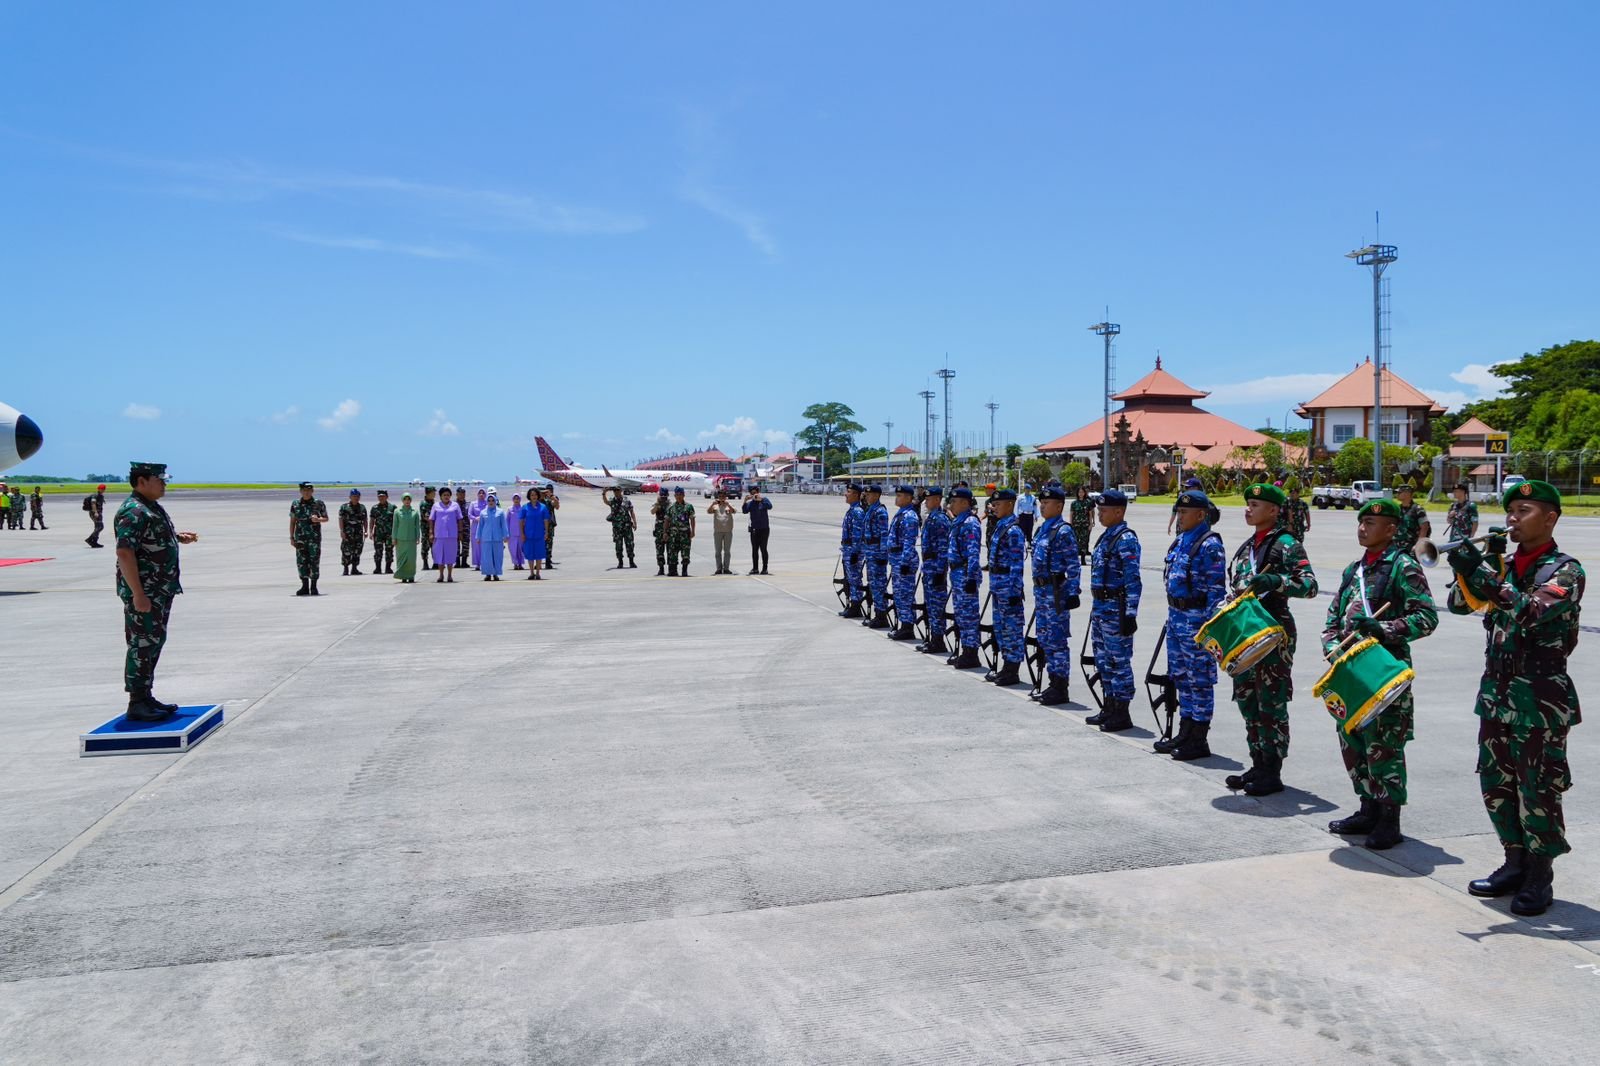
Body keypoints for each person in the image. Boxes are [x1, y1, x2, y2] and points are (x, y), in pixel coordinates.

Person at [1449, 479, 1584, 917]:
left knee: (1538, 789)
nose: (1512, 518)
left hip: (1540, 699)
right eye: (1511, 511)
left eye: (1524, 511)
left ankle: (1540, 875)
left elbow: (1531, 611)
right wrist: (1475, 567)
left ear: (1550, 518)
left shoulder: (1566, 571)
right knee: (1497, 785)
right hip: (1496, 694)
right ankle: (1514, 861)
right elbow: (1458, 605)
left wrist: (1483, 574)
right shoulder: (1503, 566)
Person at [1322, 498, 1439, 849]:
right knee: (1353, 740)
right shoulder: (1353, 570)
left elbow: (1426, 617)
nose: (1362, 528)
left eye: (1371, 524)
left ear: (1391, 529)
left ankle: (1389, 818)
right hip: (1352, 671)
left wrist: (1385, 628)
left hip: (1385, 670)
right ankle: (1367, 808)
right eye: (1360, 522)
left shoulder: (1403, 566)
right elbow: (1333, 615)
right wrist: (1331, 645)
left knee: (1384, 744)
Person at [1224, 483, 1319, 795]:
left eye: (1255, 505)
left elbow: (1309, 585)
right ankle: (1257, 762)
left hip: (1274, 630)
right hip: (1247, 631)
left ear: (1274, 510)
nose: (1248, 509)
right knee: (1247, 698)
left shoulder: (1286, 544)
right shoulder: (1247, 547)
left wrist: (1277, 581)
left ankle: (1272, 769)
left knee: (1271, 701)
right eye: (1248, 503)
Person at [114, 462, 199, 721]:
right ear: (141, 481)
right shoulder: (134, 510)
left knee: (154, 642)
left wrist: (177, 537)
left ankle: (146, 696)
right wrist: (138, 594)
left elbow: (149, 540)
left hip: (159, 589)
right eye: (159, 479)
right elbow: (124, 552)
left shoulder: (150, 508)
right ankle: (137, 701)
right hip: (146, 591)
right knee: (141, 644)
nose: (164, 484)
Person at [1154, 489, 1228, 760]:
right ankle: (1185, 731)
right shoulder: (1180, 541)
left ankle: (1199, 737)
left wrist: (1209, 631)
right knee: (1181, 679)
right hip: (1176, 619)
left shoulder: (1210, 545)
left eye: (1184, 512)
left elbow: (1215, 592)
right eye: (1178, 512)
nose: (1180, 516)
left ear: (1201, 515)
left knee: (1200, 681)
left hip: (1197, 624)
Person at [1085, 489, 1142, 731]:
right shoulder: (1106, 537)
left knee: (1119, 661)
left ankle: (1122, 711)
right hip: (1101, 607)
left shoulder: (1125, 539)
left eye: (1104, 510)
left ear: (1119, 512)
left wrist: (1130, 614)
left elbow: (1133, 580)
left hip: (1116, 609)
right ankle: (1109, 706)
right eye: (1099, 510)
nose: (1099, 514)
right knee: (1103, 660)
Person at [1030, 483, 1081, 705]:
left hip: (1056, 593)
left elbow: (1073, 565)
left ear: (1059, 506)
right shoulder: (1042, 529)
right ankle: (1052, 683)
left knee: (1057, 640)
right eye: (1041, 503)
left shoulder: (1063, 531)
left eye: (1047, 503)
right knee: (1045, 638)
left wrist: (1072, 592)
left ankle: (1060, 687)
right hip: (1042, 592)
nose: (1042, 506)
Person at [984, 488, 1028, 686]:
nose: (994, 508)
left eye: (998, 504)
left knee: (1011, 629)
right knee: (1001, 628)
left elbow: (1016, 565)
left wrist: (1014, 591)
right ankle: (1006, 666)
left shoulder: (1013, 530)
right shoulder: (1001, 526)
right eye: (993, 504)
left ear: (1010, 505)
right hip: (998, 586)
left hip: (1008, 588)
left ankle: (1012, 669)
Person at [945, 486, 984, 669]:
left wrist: (971, 578)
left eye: (954, 501)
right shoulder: (958, 521)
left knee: (969, 616)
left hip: (965, 574)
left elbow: (973, 553)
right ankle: (966, 650)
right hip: (957, 573)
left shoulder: (970, 522)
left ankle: (971, 652)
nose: (950, 505)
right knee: (961, 615)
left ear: (965, 503)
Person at [916, 487, 952, 656]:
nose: (926, 502)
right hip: (929, 567)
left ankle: (938, 640)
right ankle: (933, 639)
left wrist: (940, 572)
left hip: (936, 568)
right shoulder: (931, 518)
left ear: (937, 500)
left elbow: (943, 548)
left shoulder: (940, 519)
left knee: (937, 606)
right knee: (930, 605)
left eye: (929, 499)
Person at [886, 485, 922, 641]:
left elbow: (909, 541)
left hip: (903, 560)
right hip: (897, 559)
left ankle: (907, 627)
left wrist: (905, 562)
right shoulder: (901, 514)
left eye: (900, 495)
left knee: (905, 594)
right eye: (897, 495)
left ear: (908, 498)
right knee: (899, 594)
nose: (897, 498)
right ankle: (904, 625)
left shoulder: (909, 516)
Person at [289, 482, 329, 596]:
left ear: (312, 491)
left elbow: (326, 518)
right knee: (301, 562)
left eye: (308, 490)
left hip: (314, 538)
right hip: (300, 538)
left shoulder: (318, 503)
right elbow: (292, 521)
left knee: (314, 561)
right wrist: (291, 537)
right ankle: (305, 586)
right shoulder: (295, 504)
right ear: (300, 491)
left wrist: (318, 519)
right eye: (304, 490)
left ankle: (314, 586)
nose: (306, 492)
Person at [861, 484, 891, 628]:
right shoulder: (871, 510)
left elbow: (884, 535)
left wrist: (882, 555)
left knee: (879, 585)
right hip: (870, 552)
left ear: (877, 495)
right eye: (866, 494)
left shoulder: (880, 512)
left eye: (869, 494)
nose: (866, 497)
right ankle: (878, 614)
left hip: (877, 553)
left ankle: (881, 615)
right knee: (873, 584)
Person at [837, 483, 866, 617]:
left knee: (855, 579)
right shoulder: (852, 510)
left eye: (848, 492)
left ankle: (856, 606)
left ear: (856, 495)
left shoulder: (857, 512)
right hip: (848, 549)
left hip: (853, 551)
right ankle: (852, 605)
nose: (845, 494)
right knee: (850, 579)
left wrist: (855, 552)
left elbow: (857, 534)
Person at [430, 486, 462, 582]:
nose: (446, 497)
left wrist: (460, 532)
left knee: (450, 556)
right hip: (439, 535)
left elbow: (459, 519)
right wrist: (431, 532)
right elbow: (431, 520)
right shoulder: (436, 506)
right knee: (440, 556)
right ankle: (441, 575)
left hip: (452, 535)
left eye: (448, 495)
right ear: (440, 496)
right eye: (444, 495)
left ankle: (449, 575)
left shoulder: (455, 505)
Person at [603, 487, 638, 569]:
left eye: (617, 491)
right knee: (618, 545)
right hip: (617, 527)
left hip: (627, 526)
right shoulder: (612, 500)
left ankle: (631, 561)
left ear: (621, 491)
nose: (616, 492)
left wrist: (634, 522)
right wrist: (604, 493)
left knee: (630, 544)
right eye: (614, 491)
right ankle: (620, 562)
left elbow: (631, 511)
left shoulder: (626, 500)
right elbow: (606, 502)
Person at [476, 493, 508, 580]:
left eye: (493, 500)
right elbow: (480, 526)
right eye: (489, 500)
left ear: (496, 501)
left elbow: (503, 525)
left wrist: (506, 536)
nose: (491, 502)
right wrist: (478, 537)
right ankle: (488, 574)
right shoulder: (483, 512)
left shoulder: (500, 512)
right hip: (486, 538)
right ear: (487, 501)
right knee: (487, 557)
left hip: (497, 538)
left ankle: (496, 574)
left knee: (497, 556)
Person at [1392, 484, 1430, 557]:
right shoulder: (1398, 509)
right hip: (1397, 547)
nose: (1397, 494)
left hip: (1411, 548)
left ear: (1407, 494)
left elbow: (1424, 527)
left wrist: (1418, 544)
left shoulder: (1417, 509)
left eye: (1399, 492)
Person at [665, 486, 696, 576]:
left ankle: (684, 570)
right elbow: (667, 520)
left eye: (680, 494)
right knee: (673, 553)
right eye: (677, 495)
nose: (679, 496)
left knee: (685, 552)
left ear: (684, 495)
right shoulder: (671, 507)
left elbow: (692, 519)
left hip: (685, 534)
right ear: (674, 496)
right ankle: (673, 570)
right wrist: (665, 532)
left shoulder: (688, 506)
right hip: (673, 534)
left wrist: (693, 531)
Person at [743, 486, 772, 574]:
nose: (754, 495)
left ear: (758, 492)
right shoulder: (751, 503)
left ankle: (765, 568)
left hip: (764, 529)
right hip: (754, 529)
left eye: (755, 493)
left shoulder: (764, 499)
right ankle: (755, 568)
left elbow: (770, 506)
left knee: (763, 549)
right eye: (752, 493)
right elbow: (744, 511)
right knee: (755, 549)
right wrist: (745, 501)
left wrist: (761, 500)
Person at [520, 492, 549, 579]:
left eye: (535, 495)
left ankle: (538, 573)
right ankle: (531, 573)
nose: (534, 497)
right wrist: (522, 533)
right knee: (530, 554)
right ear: (529, 496)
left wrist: (546, 532)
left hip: (539, 534)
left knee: (539, 553)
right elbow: (521, 521)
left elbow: (546, 520)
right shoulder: (525, 507)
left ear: (538, 496)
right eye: (532, 495)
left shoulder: (543, 507)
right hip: (528, 534)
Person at [338, 489, 367, 576]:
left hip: (358, 533)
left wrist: (366, 531)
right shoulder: (344, 507)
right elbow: (341, 519)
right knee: (346, 550)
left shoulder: (362, 507)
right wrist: (342, 531)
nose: (356, 498)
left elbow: (365, 520)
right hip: (348, 533)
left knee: (357, 551)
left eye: (357, 496)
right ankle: (345, 568)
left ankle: (354, 568)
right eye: (354, 496)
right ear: (350, 497)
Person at [392, 492, 420, 583]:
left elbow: (417, 526)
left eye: (408, 499)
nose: (407, 501)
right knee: (401, 558)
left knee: (411, 559)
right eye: (405, 499)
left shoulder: (415, 512)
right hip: (400, 539)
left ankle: (411, 576)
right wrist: (394, 538)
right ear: (402, 500)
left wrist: (418, 537)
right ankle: (403, 576)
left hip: (411, 538)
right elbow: (395, 526)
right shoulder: (397, 511)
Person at [707, 490, 736, 574]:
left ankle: (726, 568)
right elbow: (708, 511)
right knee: (718, 551)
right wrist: (712, 504)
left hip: (728, 531)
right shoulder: (715, 506)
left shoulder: (729, 505)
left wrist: (728, 505)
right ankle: (719, 568)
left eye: (723, 496)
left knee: (727, 551)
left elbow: (734, 511)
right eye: (720, 496)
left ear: (725, 497)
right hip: (718, 532)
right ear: (718, 497)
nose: (722, 498)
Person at [368, 489, 396, 575]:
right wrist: (370, 531)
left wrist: (396, 533)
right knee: (378, 551)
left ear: (387, 497)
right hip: (378, 533)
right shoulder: (375, 508)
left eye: (383, 496)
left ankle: (388, 568)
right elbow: (372, 520)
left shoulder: (392, 507)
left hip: (389, 533)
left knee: (389, 551)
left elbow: (396, 521)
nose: (381, 498)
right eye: (379, 496)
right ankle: (378, 568)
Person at [1069, 484, 1094, 565]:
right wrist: (1070, 524)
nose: (1081, 494)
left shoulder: (1088, 503)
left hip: (1085, 525)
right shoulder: (1074, 503)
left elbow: (1090, 514)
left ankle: (1083, 559)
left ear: (1084, 493)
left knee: (1084, 542)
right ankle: (1075, 559)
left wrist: (1091, 524)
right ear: (1077, 493)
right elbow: (1071, 514)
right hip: (1076, 525)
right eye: (1079, 492)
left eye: (1082, 492)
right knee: (1075, 541)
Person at [650, 488, 671, 576]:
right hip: (659, 531)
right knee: (659, 551)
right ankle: (661, 568)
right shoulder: (657, 504)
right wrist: (658, 504)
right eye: (661, 496)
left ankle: (671, 568)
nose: (663, 498)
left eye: (664, 496)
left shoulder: (670, 505)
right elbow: (652, 512)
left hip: (669, 531)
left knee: (670, 551)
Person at [467, 488, 488, 569]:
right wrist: (475, 518)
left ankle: (484, 562)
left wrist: (483, 518)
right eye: (480, 493)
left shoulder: (487, 503)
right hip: (475, 526)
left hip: (485, 526)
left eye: (483, 493)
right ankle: (477, 564)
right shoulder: (473, 503)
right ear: (477, 494)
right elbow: (469, 514)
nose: (481, 494)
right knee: (476, 546)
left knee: (484, 545)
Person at [507, 493, 526, 571]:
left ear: (520, 499)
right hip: (512, 533)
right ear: (513, 500)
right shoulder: (510, 509)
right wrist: (507, 533)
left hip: (521, 533)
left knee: (521, 549)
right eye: (515, 498)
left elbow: (525, 521)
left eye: (518, 498)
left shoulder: (523, 509)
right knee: (513, 549)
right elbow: (507, 521)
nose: (516, 500)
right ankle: (515, 563)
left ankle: (520, 564)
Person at [543, 488, 561, 567]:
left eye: (550, 490)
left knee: (549, 542)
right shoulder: (539, 500)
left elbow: (557, 506)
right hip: (540, 525)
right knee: (540, 543)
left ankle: (548, 560)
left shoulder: (550, 500)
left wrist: (552, 497)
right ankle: (539, 560)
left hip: (550, 525)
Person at [85, 483, 107, 548]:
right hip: (95, 513)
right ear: (98, 489)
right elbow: (93, 504)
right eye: (101, 489)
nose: (103, 490)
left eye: (103, 489)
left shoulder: (101, 496)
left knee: (97, 527)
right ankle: (90, 539)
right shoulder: (95, 496)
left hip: (99, 513)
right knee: (100, 527)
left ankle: (94, 542)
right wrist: (95, 512)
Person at [420, 486, 436, 570]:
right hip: (426, 528)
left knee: (434, 546)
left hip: (434, 528)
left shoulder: (433, 503)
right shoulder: (424, 503)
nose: (434, 494)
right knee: (425, 546)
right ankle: (425, 563)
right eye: (433, 492)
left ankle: (436, 563)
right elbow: (426, 517)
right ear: (428, 493)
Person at [456, 488, 473, 568]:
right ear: (457, 494)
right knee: (456, 546)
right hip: (455, 528)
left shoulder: (468, 504)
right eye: (460, 494)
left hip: (466, 527)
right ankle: (457, 562)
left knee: (465, 545)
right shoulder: (453, 504)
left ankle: (464, 562)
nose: (462, 495)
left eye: (463, 494)